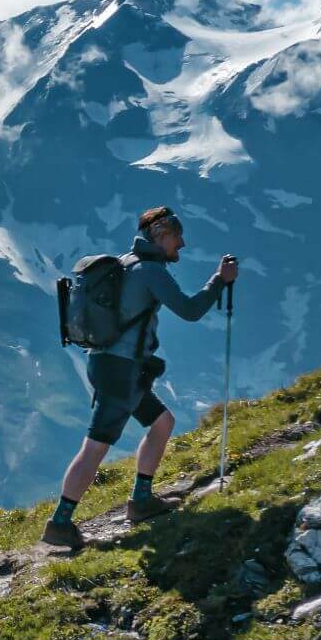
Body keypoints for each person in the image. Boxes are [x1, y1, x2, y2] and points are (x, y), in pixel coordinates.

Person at [42, 206, 239, 550]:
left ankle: (141, 501)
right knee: (95, 446)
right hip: (121, 370)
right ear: (160, 235)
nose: (182, 242)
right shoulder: (150, 271)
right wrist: (220, 280)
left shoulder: (125, 264)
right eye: (177, 234)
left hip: (106, 363)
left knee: (162, 421)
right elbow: (190, 310)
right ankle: (60, 524)